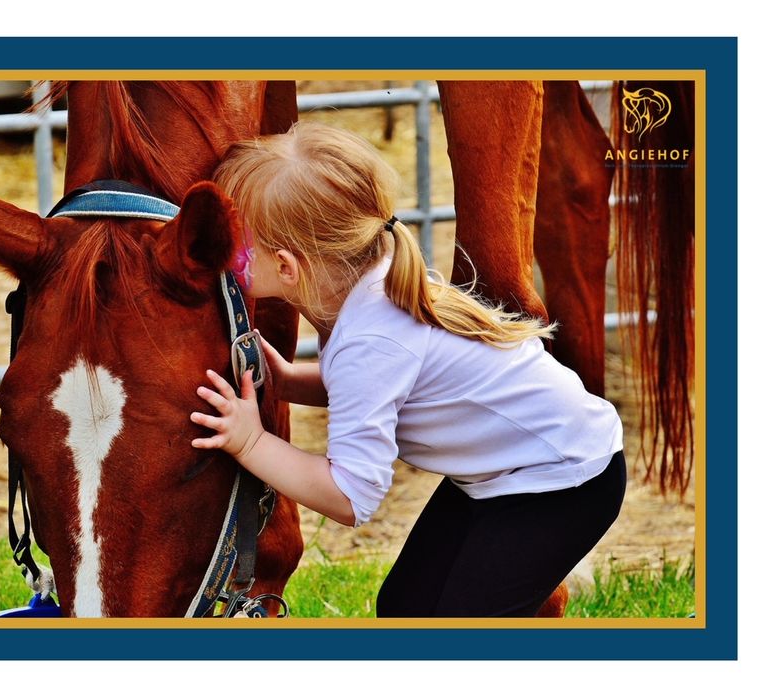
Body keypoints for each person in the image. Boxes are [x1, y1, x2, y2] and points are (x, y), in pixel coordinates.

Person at [189, 121, 626, 618]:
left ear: (288, 267)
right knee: (405, 608)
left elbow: (351, 495)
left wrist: (251, 443)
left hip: (563, 482)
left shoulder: (370, 339)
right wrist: (289, 381)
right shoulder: (372, 283)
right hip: (522, 469)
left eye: (234, 247)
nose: (225, 259)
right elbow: (382, 389)